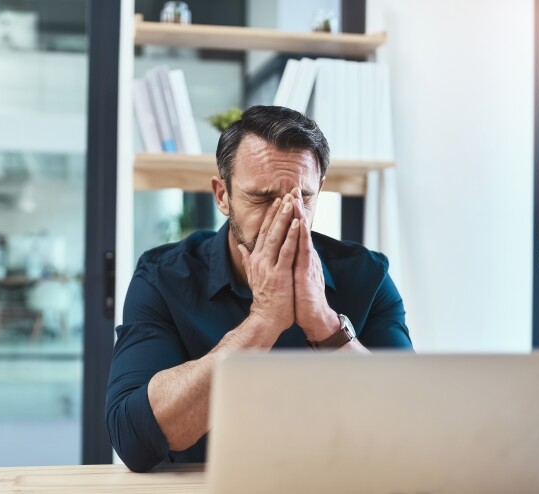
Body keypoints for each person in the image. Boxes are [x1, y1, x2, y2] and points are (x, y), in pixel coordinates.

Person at [105, 105, 413, 473]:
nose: (287, 215)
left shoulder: (369, 275)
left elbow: (409, 423)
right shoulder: (163, 278)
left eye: (304, 197)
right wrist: (263, 320)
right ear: (222, 196)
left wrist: (326, 325)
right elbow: (133, 439)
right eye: (263, 198)